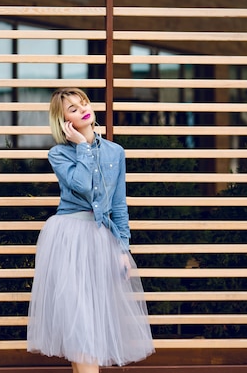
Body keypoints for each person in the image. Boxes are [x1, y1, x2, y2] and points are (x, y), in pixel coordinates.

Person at [27, 88, 155, 373]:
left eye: (83, 102)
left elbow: (119, 205)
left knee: (92, 320)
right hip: (69, 238)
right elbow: (82, 185)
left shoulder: (115, 152)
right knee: (79, 316)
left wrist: (123, 250)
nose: (82, 109)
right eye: (72, 108)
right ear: (63, 121)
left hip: (101, 238)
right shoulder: (58, 153)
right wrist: (82, 147)